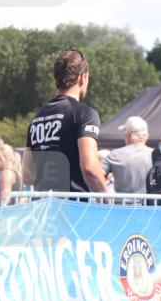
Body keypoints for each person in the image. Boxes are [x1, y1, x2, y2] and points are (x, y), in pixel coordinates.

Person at [23, 49, 108, 194]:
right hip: (73, 205)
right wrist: (107, 199)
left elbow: (28, 176)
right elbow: (90, 168)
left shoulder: (37, 118)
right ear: (83, 78)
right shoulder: (85, 114)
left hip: (43, 204)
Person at [101, 116, 154, 194]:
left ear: (128, 135)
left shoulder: (115, 155)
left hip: (121, 201)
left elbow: (97, 174)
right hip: (149, 201)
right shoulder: (156, 155)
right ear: (146, 136)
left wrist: (104, 194)